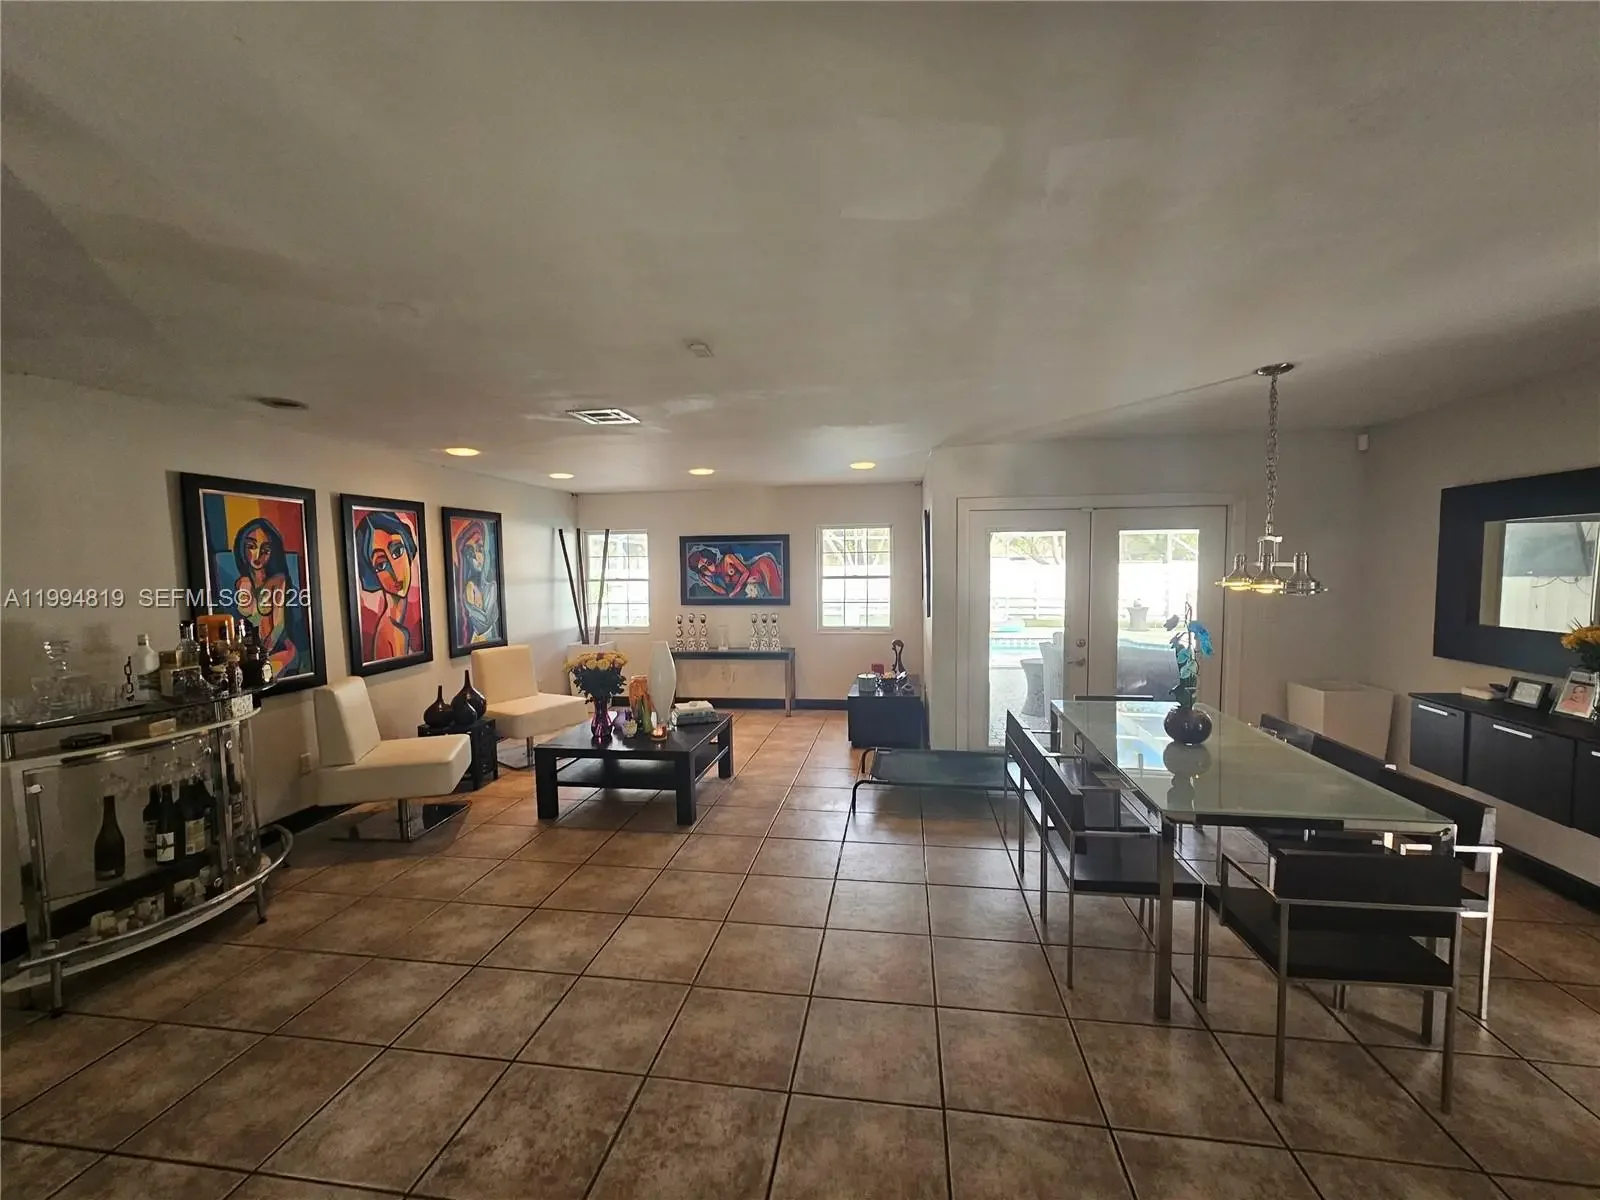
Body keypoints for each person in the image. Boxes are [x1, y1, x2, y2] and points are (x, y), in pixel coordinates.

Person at [230, 517, 304, 678]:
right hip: (254, 654)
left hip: (281, 649)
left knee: (259, 677)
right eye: (251, 546)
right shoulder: (242, 584)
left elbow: (278, 627)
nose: (257, 555)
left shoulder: (278, 581)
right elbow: (247, 623)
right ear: (242, 548)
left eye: (266, 549)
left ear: (273, 552)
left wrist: (261, 655)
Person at [356, 511, 419, 661]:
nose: (395, 572)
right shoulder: (391, 633)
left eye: (397, 551)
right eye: (381, 564)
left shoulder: (396, 626)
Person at [453, 519, 499, 646]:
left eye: (479, 549)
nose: (476, 557)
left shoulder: (492, 584)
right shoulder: (470, 587)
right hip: (479, 642)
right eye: (470, 553)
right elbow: (482, 624)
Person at [687, 546, 784, 599]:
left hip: (762, 566)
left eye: (709, 563)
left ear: (711, 559)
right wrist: (707, 582)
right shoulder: (716, 578)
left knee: (777, 594)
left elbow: (746, 572)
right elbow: (723, 592)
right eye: (704, 569)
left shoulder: (728, 559)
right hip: (757, 581)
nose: (709, 569)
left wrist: (735, 591)